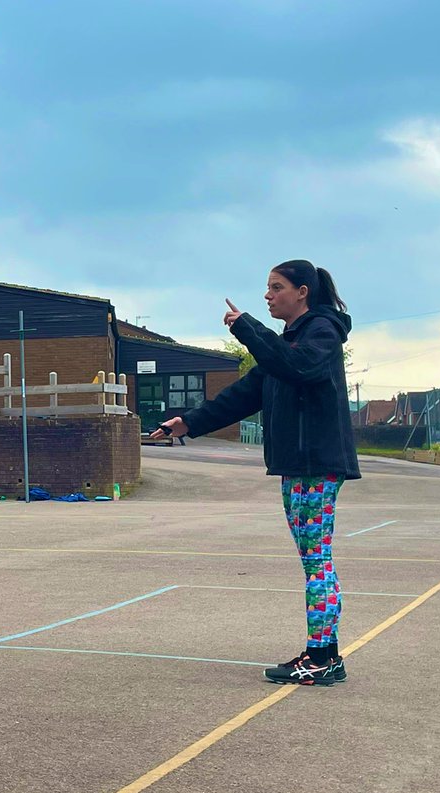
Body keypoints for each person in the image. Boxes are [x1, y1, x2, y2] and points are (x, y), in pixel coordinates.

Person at [151, 260, 358, 686]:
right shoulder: (289, 341)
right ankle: (323, 653)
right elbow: (246, 393)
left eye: (276, 287)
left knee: (317, 561)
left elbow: (299, 367)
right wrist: (188, 422)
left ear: (302, 292)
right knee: (312, 560)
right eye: (267, 288)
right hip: (296, 466)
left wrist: (247, 328)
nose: (267, 295)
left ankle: (323, 658)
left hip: (315, 464)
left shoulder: (321, 332)